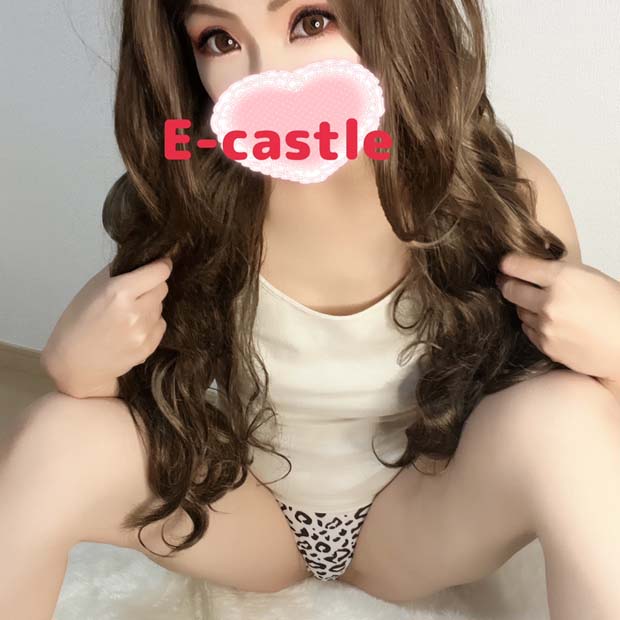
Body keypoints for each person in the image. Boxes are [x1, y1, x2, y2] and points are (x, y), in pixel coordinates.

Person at [2, 1, 620, 618]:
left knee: (566, 412)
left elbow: (589, 430)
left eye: (311, 22)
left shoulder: (504, 193)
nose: (267, 74)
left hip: (421, 518)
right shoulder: (194, 198)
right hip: (247, 515)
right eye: (219, 39)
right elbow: (108, 399)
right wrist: (75, 368)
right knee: (54, 434)